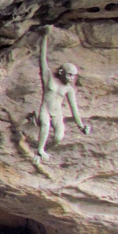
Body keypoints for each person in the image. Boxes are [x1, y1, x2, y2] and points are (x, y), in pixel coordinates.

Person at [34, 27, 91, 163]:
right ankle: (40, 150)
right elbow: (43, 58)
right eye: (70, 74)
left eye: (74, 75)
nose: (72, 78)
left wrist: (80, 126)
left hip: (57, 113)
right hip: (46, 110)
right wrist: (45, 37)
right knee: (45, 126)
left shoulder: (69, 89)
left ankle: (42, 150)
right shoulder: (49, 79)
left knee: (59, 137)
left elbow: (74, 108)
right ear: (61, 72)